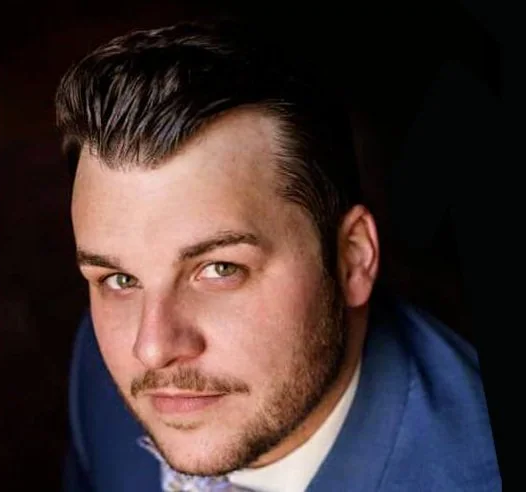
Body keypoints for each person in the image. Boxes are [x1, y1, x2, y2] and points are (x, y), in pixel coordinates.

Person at [53, 19, 501, 492]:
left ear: (352, 259)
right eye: (120, 279)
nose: (152, 349)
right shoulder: (105, 367)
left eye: (220, 269)